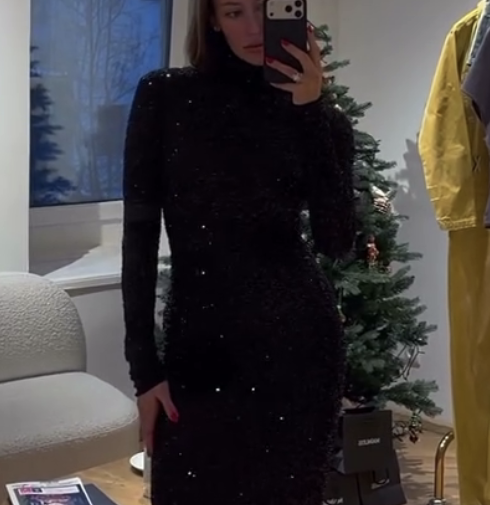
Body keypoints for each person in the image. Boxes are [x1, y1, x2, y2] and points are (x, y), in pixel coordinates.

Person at [120, 0, 357, 503]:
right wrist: (145, 371)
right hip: (197, 351)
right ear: (211, 19)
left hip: (299, 350)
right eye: (233, 12)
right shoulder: (167, 96)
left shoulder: (318, 117)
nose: (253, 27)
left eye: (265, 10)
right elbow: (138, 238)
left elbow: (337, 241)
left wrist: (310, 111)